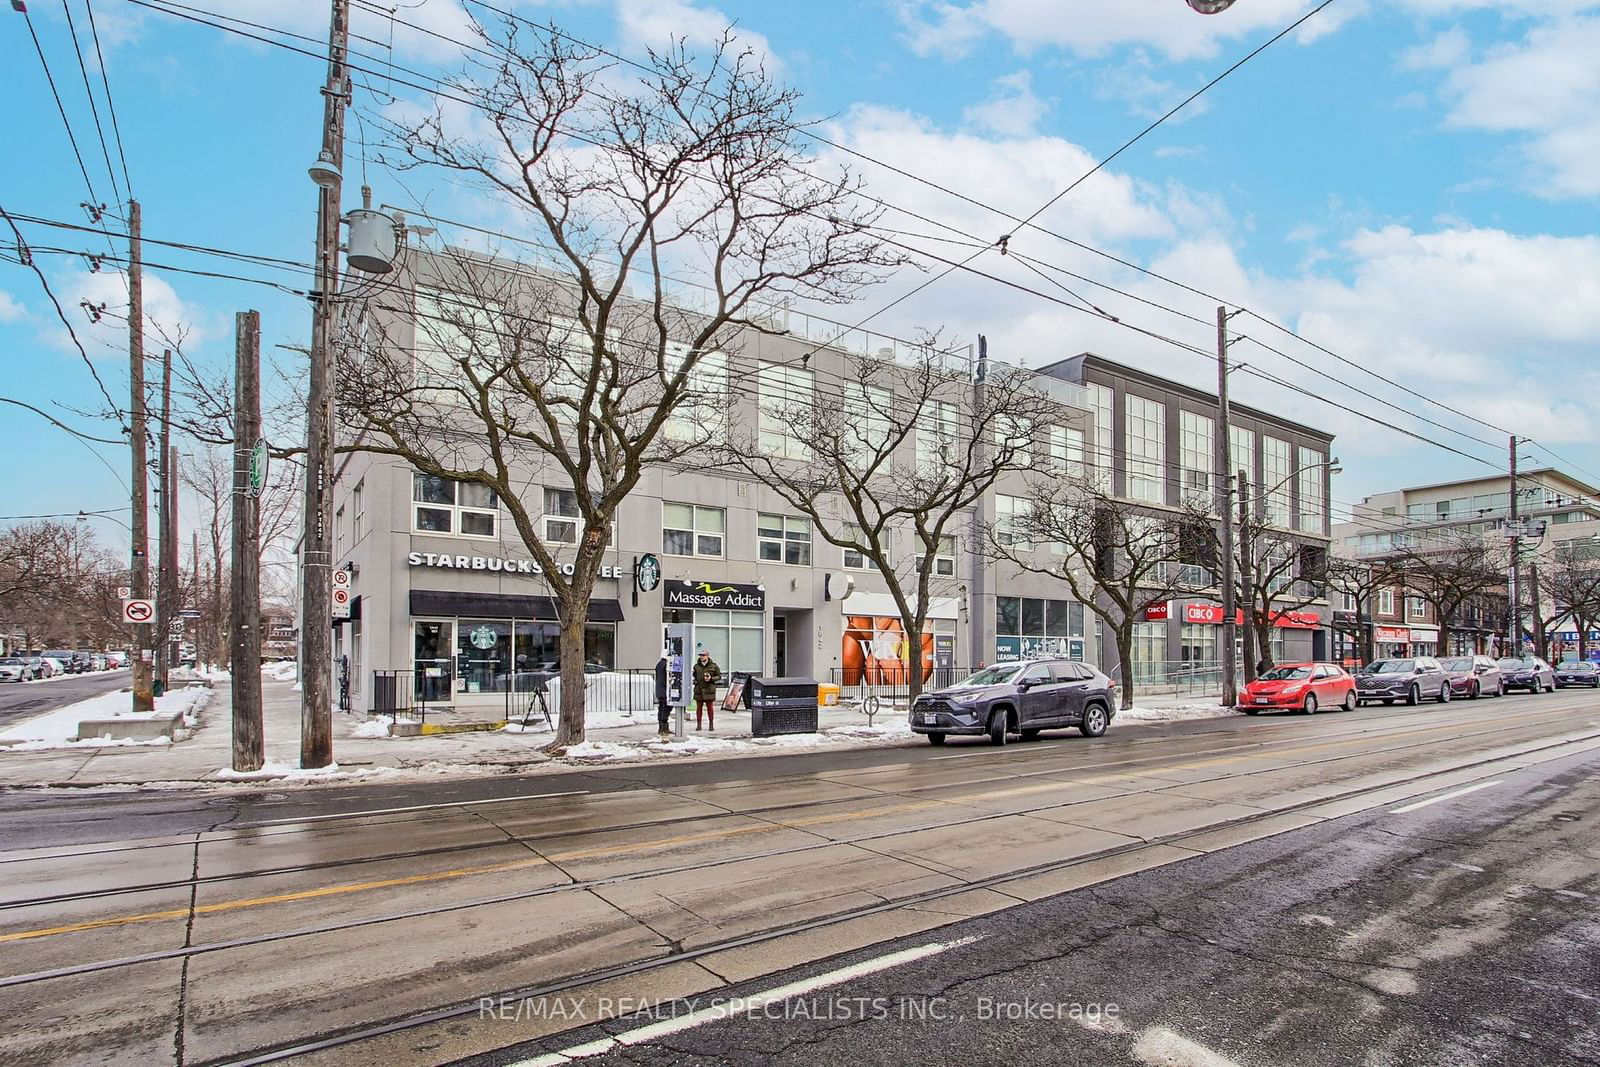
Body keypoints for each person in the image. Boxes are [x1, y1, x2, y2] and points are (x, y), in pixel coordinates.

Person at [692, 649, 722, 731]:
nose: (702, 657)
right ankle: (698, 725)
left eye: (703, 655)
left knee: (710, 708)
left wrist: (711, 678)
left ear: (707, 656)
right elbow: (694, 676)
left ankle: (711, 724)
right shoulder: (696, 666)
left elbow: (719, 676)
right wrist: (695, 681)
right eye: (701, 655)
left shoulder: (714, 666)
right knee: (699, 708)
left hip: (709, 690)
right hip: (699, 689)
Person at [654, 651, 671, 740]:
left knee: (661, 708)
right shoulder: (665, 665)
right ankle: (664, 726)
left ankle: (661, 727)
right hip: (665, 690)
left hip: (659, 690)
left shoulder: (659, 664)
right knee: (666, 708)